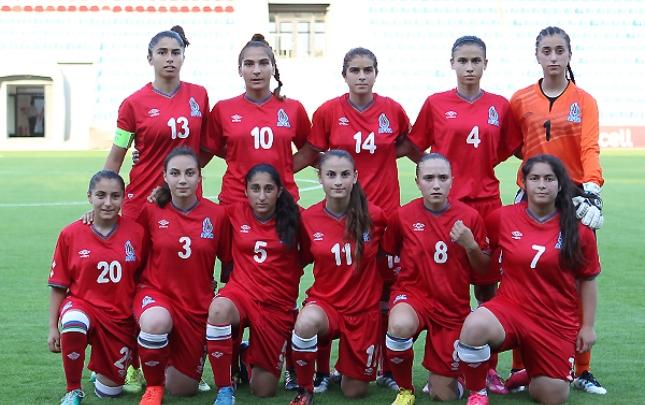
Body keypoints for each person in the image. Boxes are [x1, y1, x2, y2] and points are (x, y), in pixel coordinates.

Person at [294, 46, 416, 393]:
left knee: (383, 290)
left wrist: (431, 168)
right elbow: (313, 152)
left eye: (367, 70)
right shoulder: (329, 111)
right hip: (340, 212)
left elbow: (408, 145)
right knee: (332, 280)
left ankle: (386, 367)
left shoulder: (392, 110)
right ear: (344, 74)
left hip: (382, 215)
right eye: (355, 70)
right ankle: (320, 370)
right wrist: (279, 174)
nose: (362, 76)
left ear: (376, 73)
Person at [407, 35, 522, 394]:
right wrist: (440, 177)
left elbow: (508, 148)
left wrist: (478, 168)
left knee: (487, 287)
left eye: (476, 61)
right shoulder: (436, 103)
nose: (469, 67)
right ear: (452, 64)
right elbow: (416, 148)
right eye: (463, 61)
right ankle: (449, 365)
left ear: (486, 64)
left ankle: (486, 369)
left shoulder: (499, 105)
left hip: (487, 204)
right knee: (448, 288)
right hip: (447, 208)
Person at [456, 154, 601, 405]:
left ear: (560, 184)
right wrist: (471, 247)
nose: (541, 185)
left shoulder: (579, 229)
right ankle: (478, 392)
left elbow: (587, 280)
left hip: (555, 320)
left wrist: (587, 326)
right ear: (524, 183)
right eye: (534, 178)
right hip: (510, 309)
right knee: (474, 326)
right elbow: (485, 268)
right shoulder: (502, 218)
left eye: (549, 179)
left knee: (553, 397)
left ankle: (531, 373)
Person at [509, 26, 605, 394]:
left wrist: (592, 187)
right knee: (521, 279)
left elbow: (589, 147)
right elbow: (512, 144)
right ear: (537, 56)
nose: (553, 57)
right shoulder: (520, 99)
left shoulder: (585, 100)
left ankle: (583, 369)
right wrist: (535, 173)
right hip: (529, 196)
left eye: (559, 50)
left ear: (569, 55)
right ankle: (519, 369)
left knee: (578, 278)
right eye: (546, 51)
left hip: (574, 197)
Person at [383, 153, 490, 405]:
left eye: (443, 178)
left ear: (452, 181)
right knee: (399, 325)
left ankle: (457, 374)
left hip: (451, 306)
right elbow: (389, 253)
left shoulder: (470, 217)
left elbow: (484, 270)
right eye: (428, 178)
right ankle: (405, 390)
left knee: (442, 395)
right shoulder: (402, 216)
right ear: (417, 182)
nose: (436, 184)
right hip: (413, 296)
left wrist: (471, 245)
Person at [133, 147, 230, 405]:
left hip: (195, 305)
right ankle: (153, 386)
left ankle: (158, 357)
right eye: (175, 173)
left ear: (199, 177)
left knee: (183, 389)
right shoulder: (151, 211)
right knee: (155, 322)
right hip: (156, 293)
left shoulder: (217, 215)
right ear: (165, 177)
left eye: (189, 173)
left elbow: (229, 262)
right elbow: (134, 253)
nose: (183, 180)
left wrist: (222, 297)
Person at [289, 150, 387, 405]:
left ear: (355, 177)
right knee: (306, 323)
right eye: (331, 175)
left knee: (354, 391)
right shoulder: (308, 218)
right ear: (320, 178)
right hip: (326, 304)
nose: (338, 181)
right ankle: (305, 389)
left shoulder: (375, 216)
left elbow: (387, 258)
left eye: (345, 174)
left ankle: (343, 369)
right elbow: (300, 259)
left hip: (363, 310)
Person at [205, 163, 303, 404]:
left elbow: (313, 251)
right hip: (242, 292)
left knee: (263, 390)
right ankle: (225, 389)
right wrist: (162, 194)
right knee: (218, 310)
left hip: (276, 304)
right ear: (245, 190)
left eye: (268, 189)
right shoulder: (233, 212)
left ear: (279, 191)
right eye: (255, 188)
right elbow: (196, 211)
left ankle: (245, 353)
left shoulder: (297, 218)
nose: (261, 196)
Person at [47, 170, 147, 404]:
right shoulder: (70, 234)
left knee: (110, 391)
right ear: (90, 197)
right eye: (101, 195)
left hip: (119, 318)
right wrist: (52, 326)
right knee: (74, 322)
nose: (108, 203)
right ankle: (73, 390)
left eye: (115, 196)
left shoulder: (137, 233)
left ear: (124, 198)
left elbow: (144, 281)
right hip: (83, 304)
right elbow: (59, 285)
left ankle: (102, 370)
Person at [104, 26, 211, 220]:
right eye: (162, 52)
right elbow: (115, 158)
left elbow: (209, 146)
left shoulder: (199, 95)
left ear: (183, 57)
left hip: (186, 199)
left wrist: (184, 175)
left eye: (175, 52)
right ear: (150, 58)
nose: (169, 58)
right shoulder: (132, 104)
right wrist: (104, 198)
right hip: (144, 198)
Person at [203, 33, 312, 206]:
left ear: (273, 68)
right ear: (240, 70)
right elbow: (210, 147)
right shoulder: (223, 109)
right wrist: (238, 156)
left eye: (263, 63)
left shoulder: (293, 108)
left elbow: (309, 150)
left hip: (281, 199)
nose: (256, 70)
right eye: (249, 64)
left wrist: (283, 170)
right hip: (236, 200)